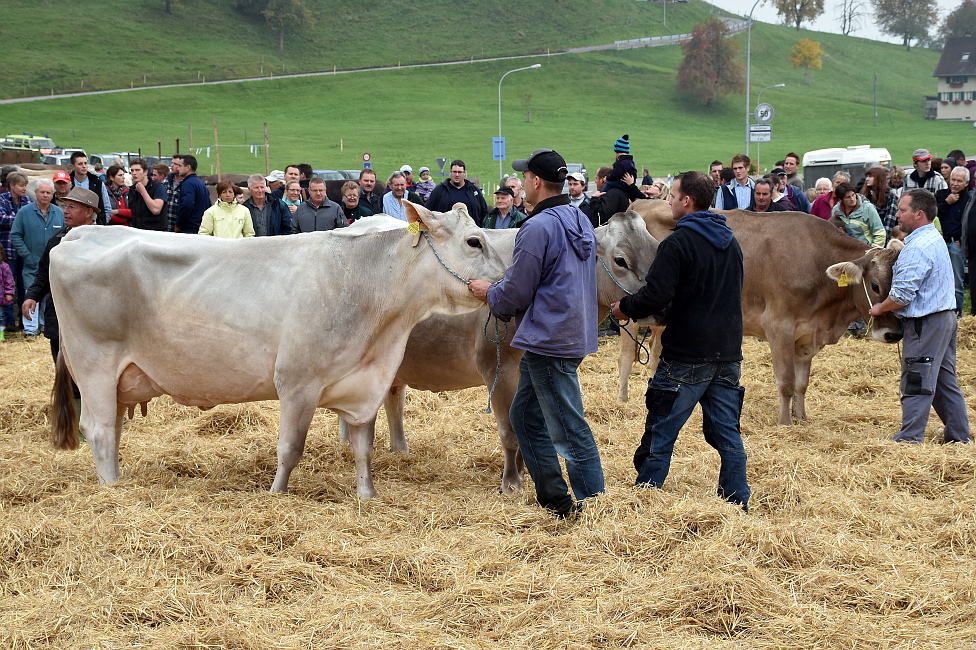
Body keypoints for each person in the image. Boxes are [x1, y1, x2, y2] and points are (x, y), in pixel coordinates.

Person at [468, 148, 604, 518]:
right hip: (574, 331)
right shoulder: (578, 218)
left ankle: (595, 506)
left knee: (567, 424)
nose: (521, 183)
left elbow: (518, 292)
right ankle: (554, 501)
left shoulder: (536, 227)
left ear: (536, 182)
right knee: (525, 417)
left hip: (548, 337)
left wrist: (488, 292)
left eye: (524, 177)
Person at [611, 170, 750, 511]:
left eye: (672, 196)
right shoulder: (730, 243)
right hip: (728, 353)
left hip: (687, 353)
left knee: (661, 429)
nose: (669, 201)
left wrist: (625, 307)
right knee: (727, 433)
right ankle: (737, 500)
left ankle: (645, 498)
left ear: (687, 201)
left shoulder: (678, 243)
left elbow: (656, 295)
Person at [868, 189, 971, 445]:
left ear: (919, 214)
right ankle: (959, 437)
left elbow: (902, 295)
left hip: (926, 323)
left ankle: (909, 438)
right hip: (944, 317)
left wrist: (880, 308)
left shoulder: (917, 247)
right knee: (944, 381)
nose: (898, 215)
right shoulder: (933, 239)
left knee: (917, 378)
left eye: (903, 210)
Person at [22, 187, 98, 364]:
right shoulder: (56, 240)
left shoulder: (103, 241)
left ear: (88, 212)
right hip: (59, 317)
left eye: (72, 207)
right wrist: (32, 296)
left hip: (91, 320)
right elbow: (44, 274)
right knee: (62, 367)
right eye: (65, 206)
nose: (66, 211)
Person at [11, 178, 63, 338]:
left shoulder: (59, 212)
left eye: (48, 192)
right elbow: (15, 235)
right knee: (31, 292)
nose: (45, 195)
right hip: (31, 263)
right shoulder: (24, 212)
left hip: (53, 264)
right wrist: (26, 254)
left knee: (49, 295)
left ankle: (44, 326)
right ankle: (30, 330)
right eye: (42, 192)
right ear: (35, 193)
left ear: (53, 194)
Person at [935, 166, 970, 315]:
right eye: (953, 179)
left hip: (956, 245)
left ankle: (957, 316)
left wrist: (962, 241)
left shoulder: (969, 199)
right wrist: (946, 203)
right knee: (938, 282)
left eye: (959, 181)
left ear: (966, 183)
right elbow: (933, 216)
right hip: (940, 244)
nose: (955, 183)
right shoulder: (941, 195)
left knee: (956, 283)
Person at [424, 160, 489, 226]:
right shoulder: (439, 190)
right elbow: (427, 212)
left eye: (460, 172)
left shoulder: (474, 191)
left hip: (470, 233)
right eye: (454, 172)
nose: (457, 175)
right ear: (450, 172)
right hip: (446, 233)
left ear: (464, 173)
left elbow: (484, 213)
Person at [830, 182, 885, 248]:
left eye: (853, 195)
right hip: (845, 251)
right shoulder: (836, 211)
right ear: (841, 199)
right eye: (848, 197)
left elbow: (880, 233)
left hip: (865, 251)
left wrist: (873, 252)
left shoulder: (868, 208)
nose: (852, 199)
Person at [67, 152, 110, 225]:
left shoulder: (97, 182)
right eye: (80, 164)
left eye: (85, 163)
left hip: (95, 225)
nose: (84, 166)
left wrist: (103, 223)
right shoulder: (67, 182)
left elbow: (107, 207)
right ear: (72, 166)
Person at [127, 158, 168, 231]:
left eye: (137, 170)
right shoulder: (132, 189)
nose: (134, 173)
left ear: (145, 171)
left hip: (155, 231)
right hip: (137, 231)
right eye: (132, 170)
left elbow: (156, 209)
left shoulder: (158, 187)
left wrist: (143, 191)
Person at [174, 154, 211, 234]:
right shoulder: (200, 183)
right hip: (200, 226)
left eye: (180, 166)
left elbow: (187, 204)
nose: (178, 168)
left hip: (189, 228)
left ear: (188, 167)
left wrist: (179, 224)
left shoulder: (188, 184)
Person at [862, 166, 898, 240]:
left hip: (883, 236)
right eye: (867, 176)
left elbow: (890, 220)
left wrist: (881, 239)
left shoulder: (890, 196)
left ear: (878, 178)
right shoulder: (864, 196)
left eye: (870, 176)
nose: (867, 179)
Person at [163, 155, 184, 232]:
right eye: (172, 163)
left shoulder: (188, 184)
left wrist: (179, 224)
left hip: (181, 227)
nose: (171, 165)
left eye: (175, 164)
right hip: (165, 225)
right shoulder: (166, 181)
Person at [0, 248, 13, 341]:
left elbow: (9, 281)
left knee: (1, 316)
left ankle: (1, 335)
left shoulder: (4, 266)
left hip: (0, 298)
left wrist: (9, 293)